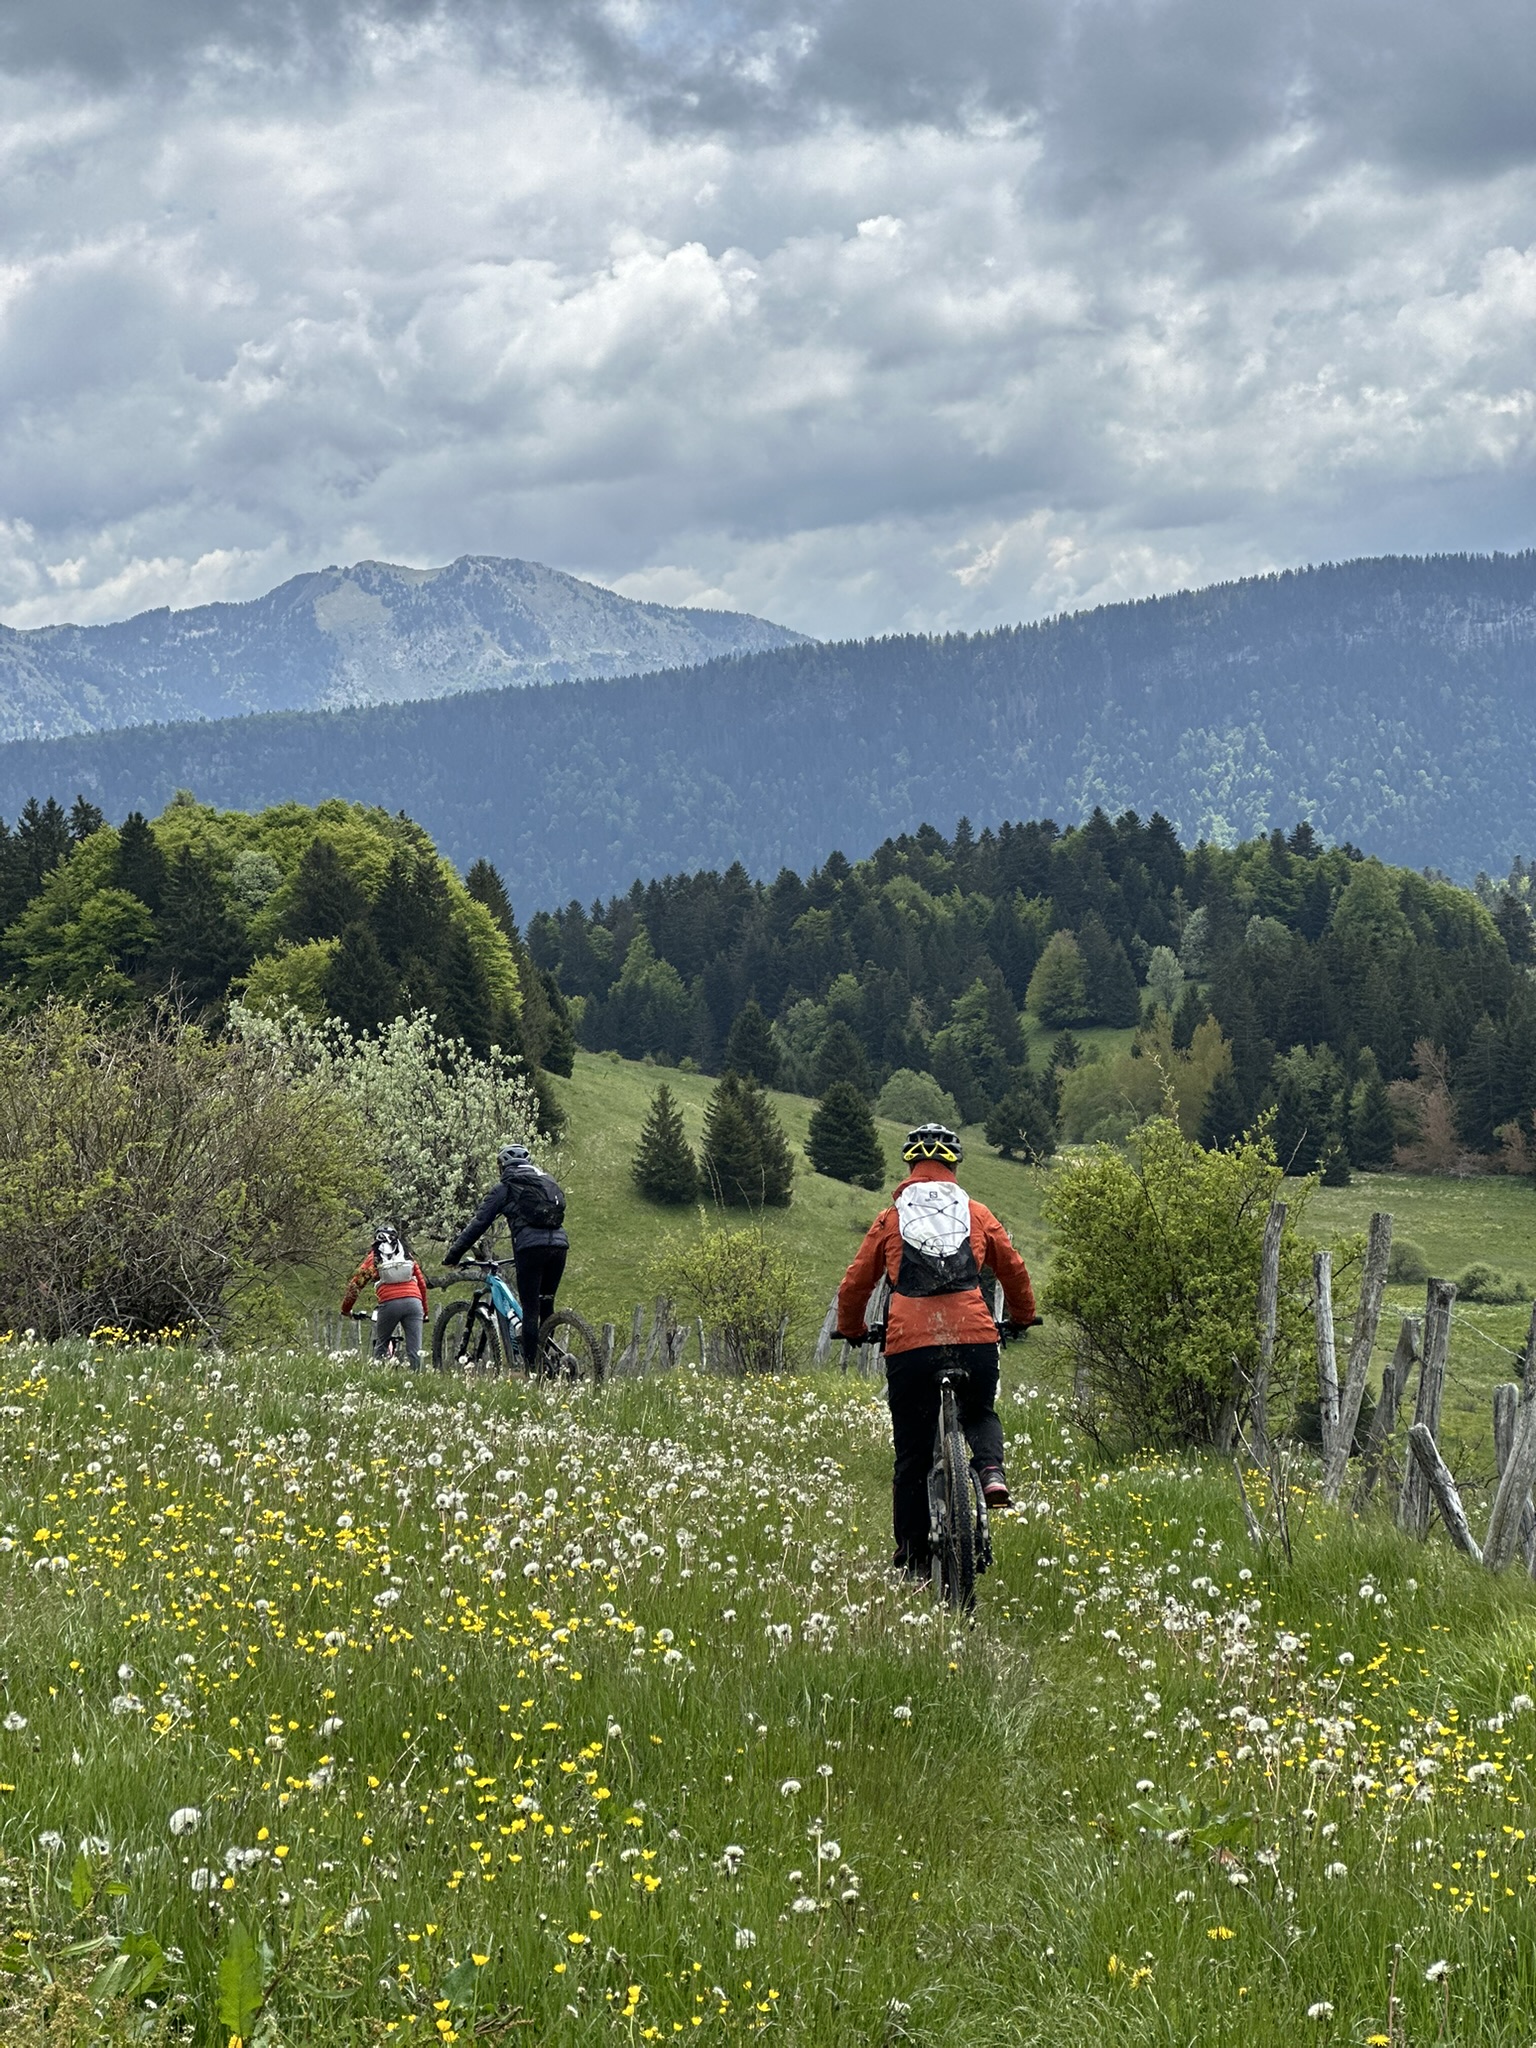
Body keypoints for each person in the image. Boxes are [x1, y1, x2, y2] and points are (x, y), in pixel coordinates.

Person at [835, 1122, 1036, 1576]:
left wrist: (851, 1329)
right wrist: (1021, 1317)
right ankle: (990, 1474)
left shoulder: (892, 1217)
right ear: (954, 1165)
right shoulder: (977, 1212)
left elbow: (855, 1284)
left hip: (909, 1345)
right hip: (975, 1335)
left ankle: (913, 1561)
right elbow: (1015, 1271)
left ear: (911, 1165)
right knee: (980, 1412)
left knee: (911, 1457)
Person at [444, 1143, 569, 1368]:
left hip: (530, 1249)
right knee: (546, 1305)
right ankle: (552, 1362)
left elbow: (479, 1223)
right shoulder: (547, 1181)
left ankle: (531, 1372)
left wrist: (454, 1255)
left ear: (502, 1166)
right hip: (560, 1247)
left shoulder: (505, 1187)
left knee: (530, 1309)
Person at [341, 1224, 430, 1369]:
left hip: (389, 1304)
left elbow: (356, 1285)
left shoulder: (374, 1258)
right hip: (414, 1303)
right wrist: (425, 1312)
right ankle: (418, 1382)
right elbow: (422, 1285)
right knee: (415, 1351)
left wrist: (346, 1309)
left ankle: (377, 1378)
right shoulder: (407, 1255)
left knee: (381, 1345)